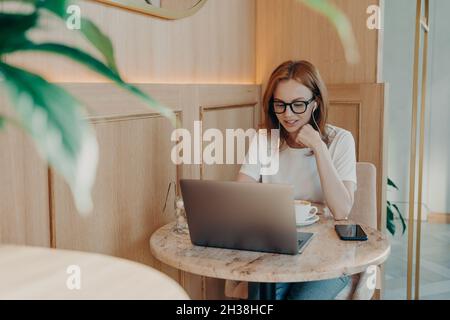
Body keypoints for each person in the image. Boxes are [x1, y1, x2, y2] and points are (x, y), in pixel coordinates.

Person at [237, 60, 357, 300]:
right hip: (277, 248)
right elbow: (240, 196)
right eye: (280, 104)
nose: (288, 114)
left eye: (298, 105)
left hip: (329, 252)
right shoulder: (265, 140)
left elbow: (342, 209)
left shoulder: (340, 140)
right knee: (263, 298)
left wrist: (319, 148)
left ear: (316, 104)